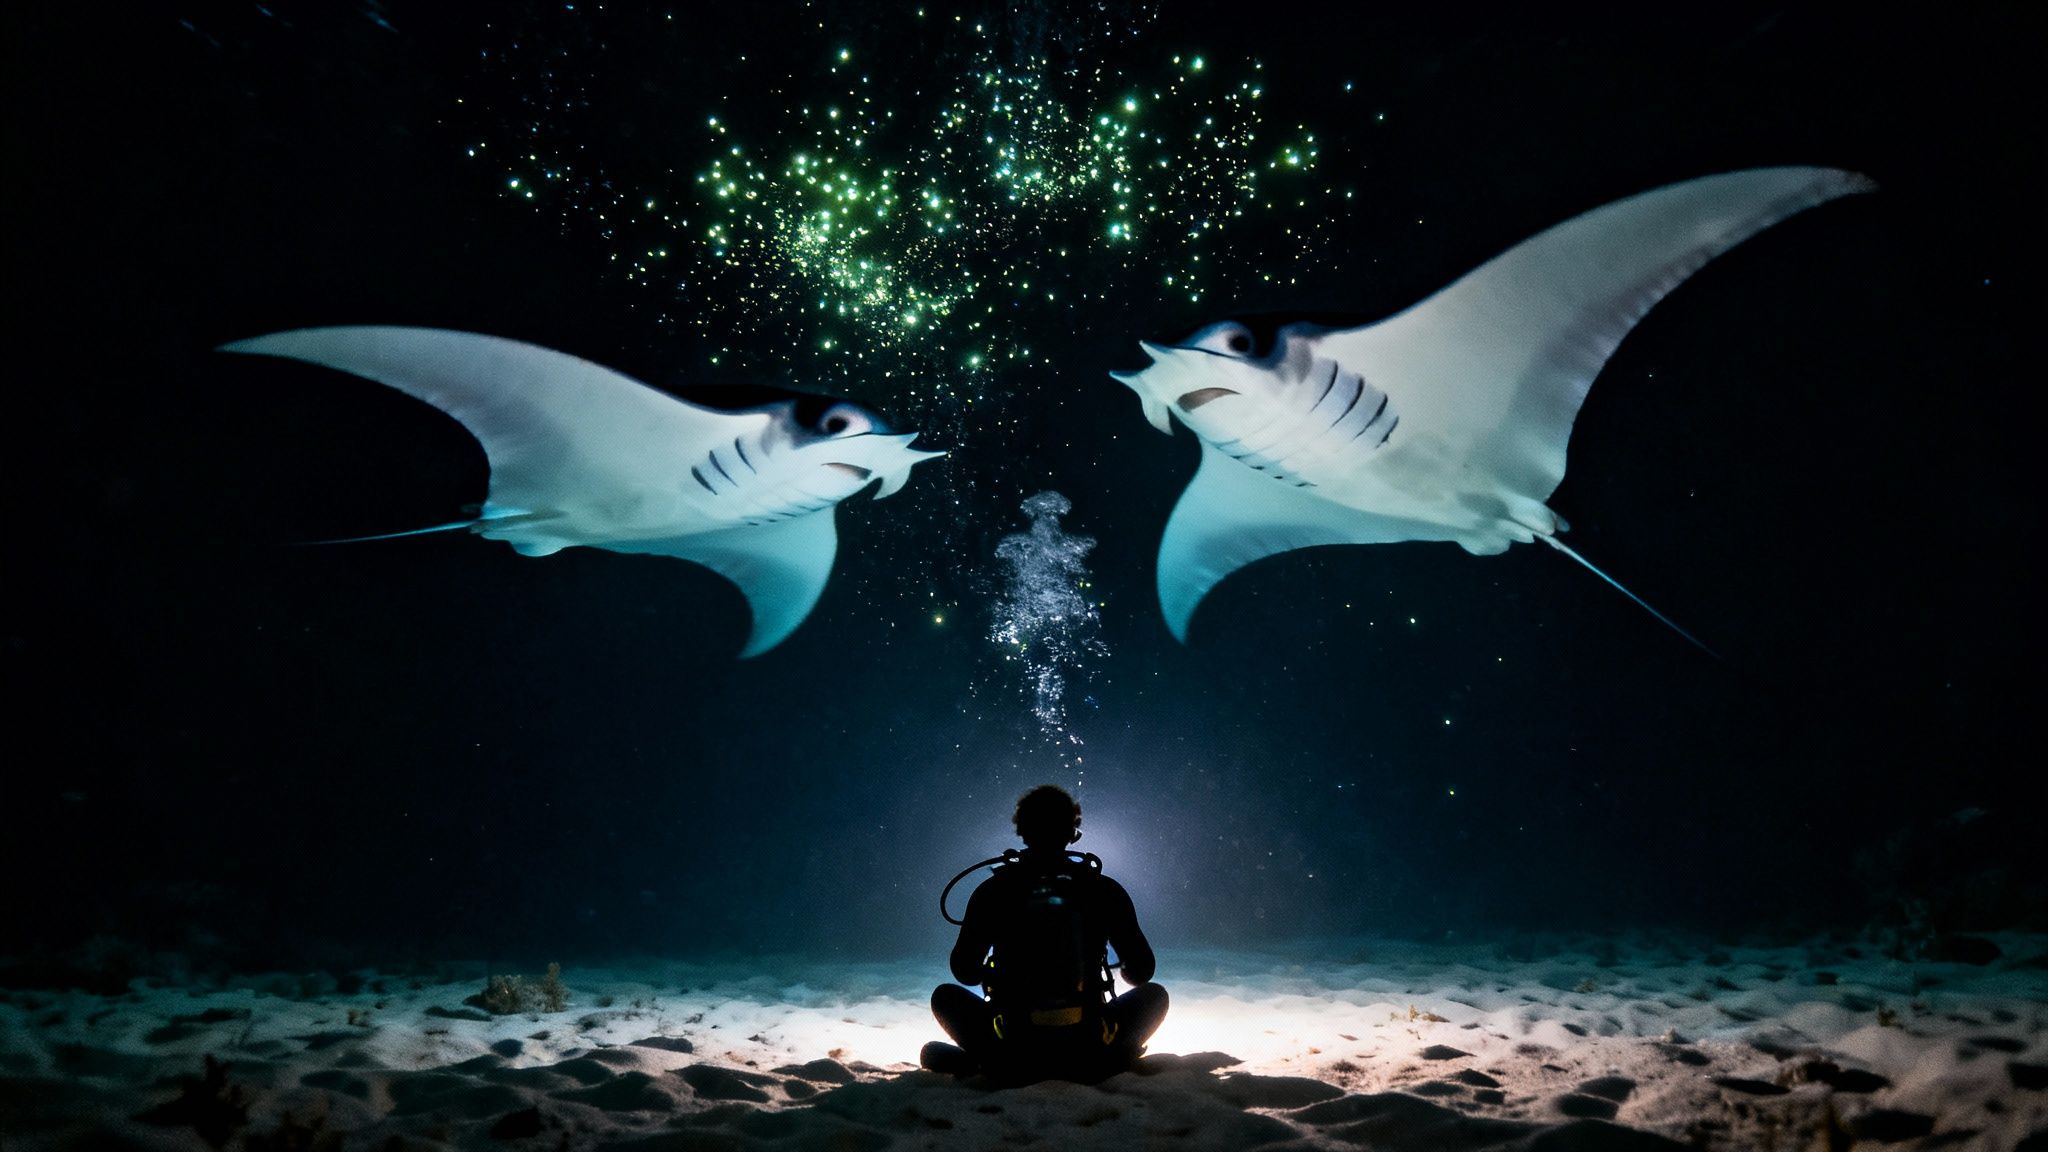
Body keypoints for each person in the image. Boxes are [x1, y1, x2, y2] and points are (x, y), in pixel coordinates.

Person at [923, 785, 1168, 1082]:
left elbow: (965, 973)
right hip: (1089, 1042)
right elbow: (1141, 973)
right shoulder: (1104, 889)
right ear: (1073, 831)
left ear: (1022, 831)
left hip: (1014, 1044)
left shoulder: (993, 891)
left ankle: (990, 1060)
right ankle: (1110, 1058)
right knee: (1156, 996)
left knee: (944, 997)